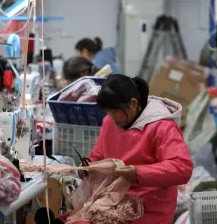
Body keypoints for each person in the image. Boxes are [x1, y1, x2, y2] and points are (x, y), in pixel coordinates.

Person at [58, 75, 193, 224]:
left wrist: (137, 173)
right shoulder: (109, 122)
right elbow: (98, 156)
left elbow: (182, 168)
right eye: (108, 111)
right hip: (113, 202)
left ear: (133, 104)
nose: (111, 117)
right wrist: (87, 169)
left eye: (114, 112)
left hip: (149, 210)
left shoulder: (162, 126)